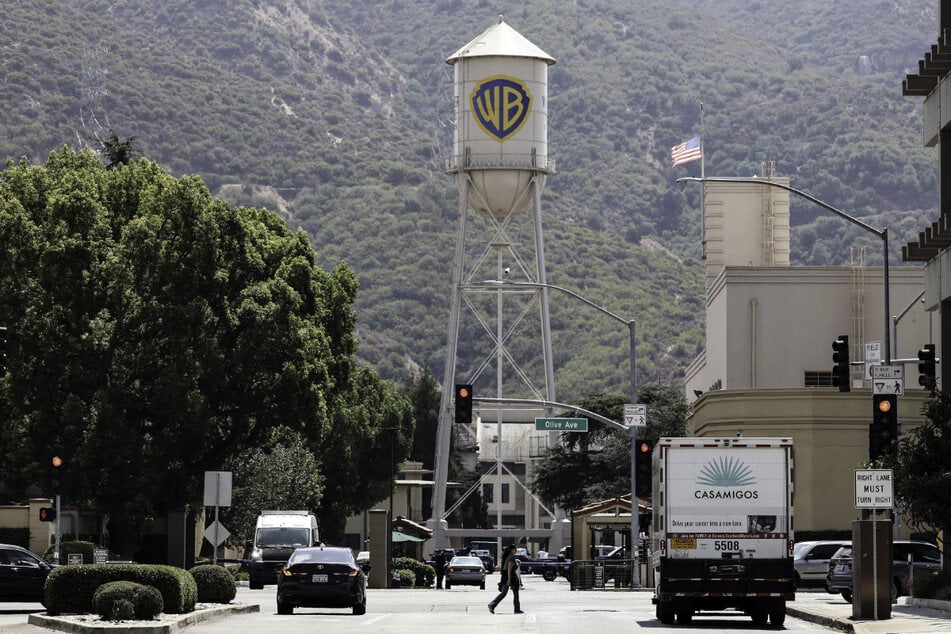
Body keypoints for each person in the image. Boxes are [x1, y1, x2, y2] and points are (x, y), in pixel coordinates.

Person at [488, 544, 523, 614]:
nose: (516, 550)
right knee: (514, 592)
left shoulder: (508, 557)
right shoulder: (511, 558)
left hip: (505, 575)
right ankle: (516, 609)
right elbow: (509, 569)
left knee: (505, 592)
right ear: (512, 550)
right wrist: (509, 579)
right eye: (515, 549)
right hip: (509, 576)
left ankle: (493, 604)